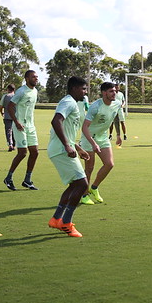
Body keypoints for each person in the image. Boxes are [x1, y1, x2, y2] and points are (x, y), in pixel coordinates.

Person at [47, 76, 92, 238]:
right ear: (73, 88)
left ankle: (56, 219)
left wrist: (77, 147)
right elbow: (56, 121)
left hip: (63, 148)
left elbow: (67, 129)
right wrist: (67, 145)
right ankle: (66, 223)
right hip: (61, 150)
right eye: (83, 89)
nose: (85, 92)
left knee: (75, 185)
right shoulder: (69, 102)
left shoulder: (74, 103)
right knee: (82, 185)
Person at [79, 82, 123, 206]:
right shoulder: (95, 107)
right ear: (104, 93)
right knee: (89, 168)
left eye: (115, 91)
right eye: (111, 91)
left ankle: (94, 187)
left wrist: (118, 135)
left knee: (109, 164)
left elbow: (115, 118)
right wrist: (92, 143)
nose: (114, 93)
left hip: (103, 137)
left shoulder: (117, 104)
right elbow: (84, 127)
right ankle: (84, 195)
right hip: (89, 138)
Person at [4, 69, 40, 191]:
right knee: (22, 153)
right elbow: (10, 106)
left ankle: (27, 180)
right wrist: (17, 122)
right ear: (27, 78)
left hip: (31, 126)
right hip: (20, 126)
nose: (36, 78)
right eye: (33, 77)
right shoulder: (21, 91)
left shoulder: (35, 91)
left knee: (35, 152)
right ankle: (8, 178)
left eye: (36, 77)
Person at [0, 84, 16, 151]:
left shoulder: (5, 96)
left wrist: (2, 113)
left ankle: (10, 144)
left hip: (7, 116)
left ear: (8, 89)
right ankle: (14, 145)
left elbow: (0, 107)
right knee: (14, 131)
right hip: (16, 117)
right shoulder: (17, 96)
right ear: (14, 90)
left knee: (8, 131)